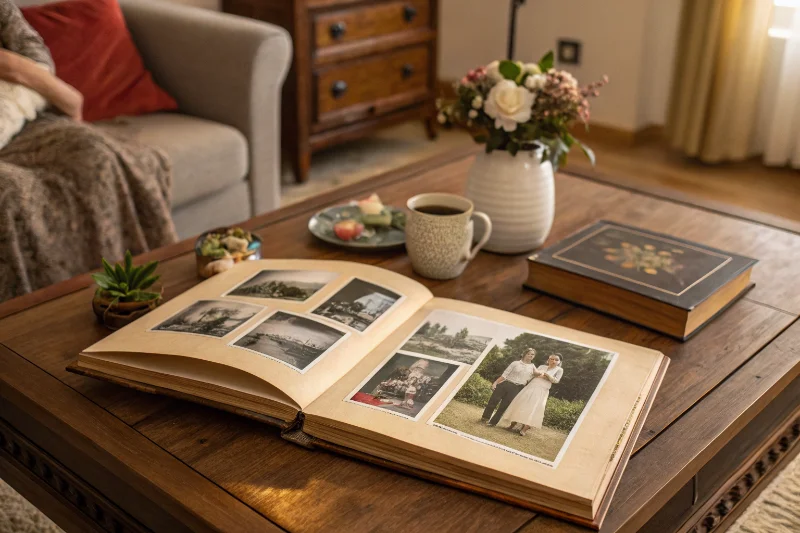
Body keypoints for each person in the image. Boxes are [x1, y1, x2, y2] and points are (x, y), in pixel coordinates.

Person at [501, 353, 564, 436]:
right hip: (531, 386)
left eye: (556, 360)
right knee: (521, 404)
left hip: (542, 390)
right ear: (548, 359)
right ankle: (512, 425)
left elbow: (556, 381)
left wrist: (547, 375)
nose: (553, 361)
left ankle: (524, 429)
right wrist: (527, 380)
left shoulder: (559, 370)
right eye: (551, 359)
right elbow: (533, 374)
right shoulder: (542, 367)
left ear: (559, 362)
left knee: (533, 408)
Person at [481, 348, 537, 426]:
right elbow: (505, 374)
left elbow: (535, 377)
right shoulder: (515, 363)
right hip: (506, 384)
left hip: (517, 388)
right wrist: (495, 383)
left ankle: (493, 423)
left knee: (504, 406)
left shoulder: (533, 367)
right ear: (524, 354)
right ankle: (485, 418)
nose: (531, 355)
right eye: (529, 354)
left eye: (532, 354)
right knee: (493, 401)